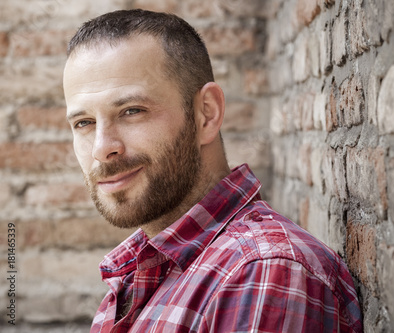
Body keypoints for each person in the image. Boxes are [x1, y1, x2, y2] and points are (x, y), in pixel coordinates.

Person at [63, 9, 363, 333]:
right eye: (84, 123)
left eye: (132, 111)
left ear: (207, 114)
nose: (101, 148)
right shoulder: (142, 268)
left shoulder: (264, 273)